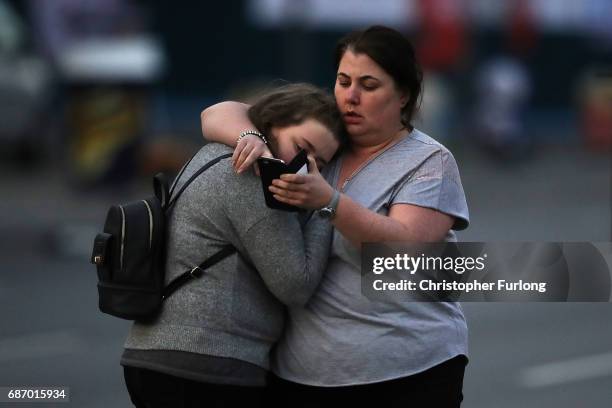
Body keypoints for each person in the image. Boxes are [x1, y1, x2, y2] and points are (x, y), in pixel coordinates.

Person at [200, 26, 470, 407]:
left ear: (403, 95)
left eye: (369, 85)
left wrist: (331, 202)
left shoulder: (429, 160)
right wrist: (251, 136)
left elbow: (406, 251)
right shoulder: (325, 138)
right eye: (343, 81)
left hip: (408, 371)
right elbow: (218, 112)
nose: (351, 97)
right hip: (300, 376)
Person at [120, 83, 344, 408]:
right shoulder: (254, 180)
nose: (306, 167)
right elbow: (296, 285)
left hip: (156, 355)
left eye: (320, 165)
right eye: (301, 146)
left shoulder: (213, 152)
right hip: (206, 367)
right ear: (273, 122)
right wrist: (328, 203)